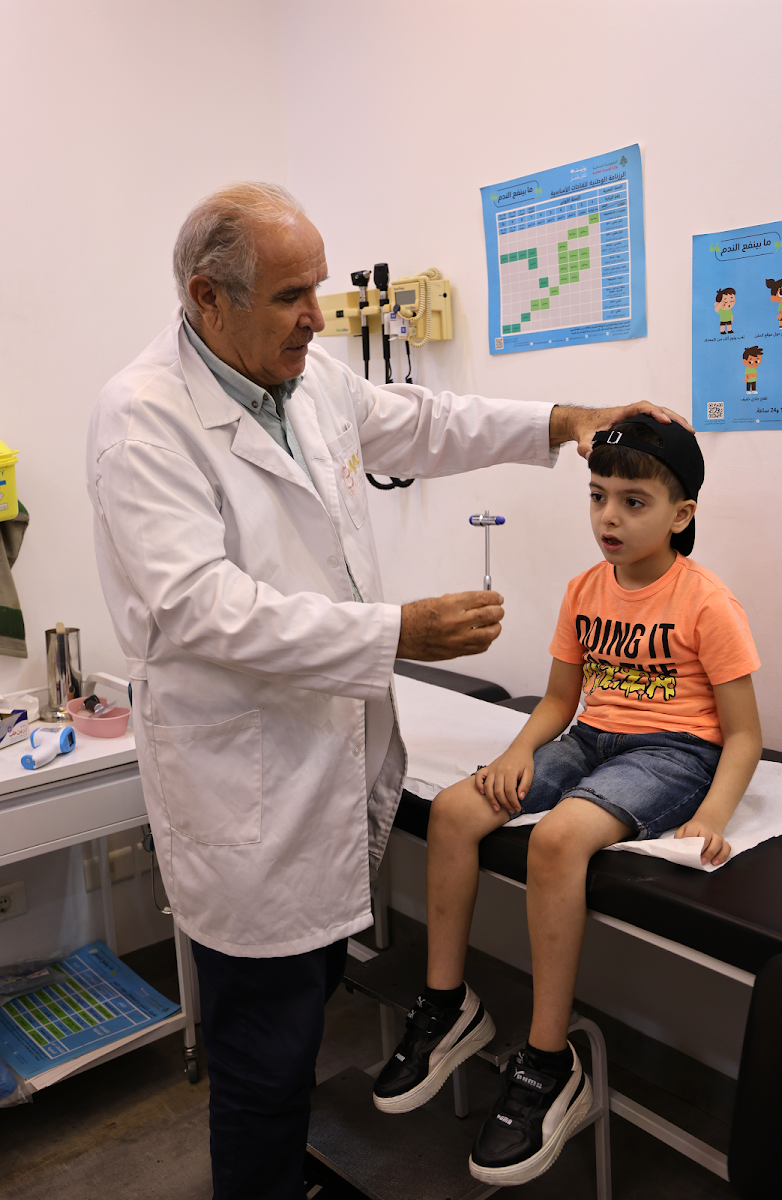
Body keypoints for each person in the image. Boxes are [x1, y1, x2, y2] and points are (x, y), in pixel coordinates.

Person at [86, 181, 691, 1200]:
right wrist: (396, 633)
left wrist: (563, 421)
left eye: (319, 289)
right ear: (208, 298)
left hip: (325, 764)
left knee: (300, 1015)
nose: (317, 318)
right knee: (262, 1058)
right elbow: (198, 609)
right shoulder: (143, 420)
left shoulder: (303, 379)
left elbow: (425, 422)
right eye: (291, 296)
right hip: (245, 798)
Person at [373, 416, 761, 1187]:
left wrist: (712, 815)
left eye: (633, 502)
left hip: (673, 752)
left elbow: (744, 734)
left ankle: (548, 1060)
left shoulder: (706, 603)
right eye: (597, 496)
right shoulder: (585, 590)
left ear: (680, 514)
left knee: (557, 840)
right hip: (589, 737)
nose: (609, 517)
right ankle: (447, 1005)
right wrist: (518, 752)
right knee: (455, 809)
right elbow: (559, 701)